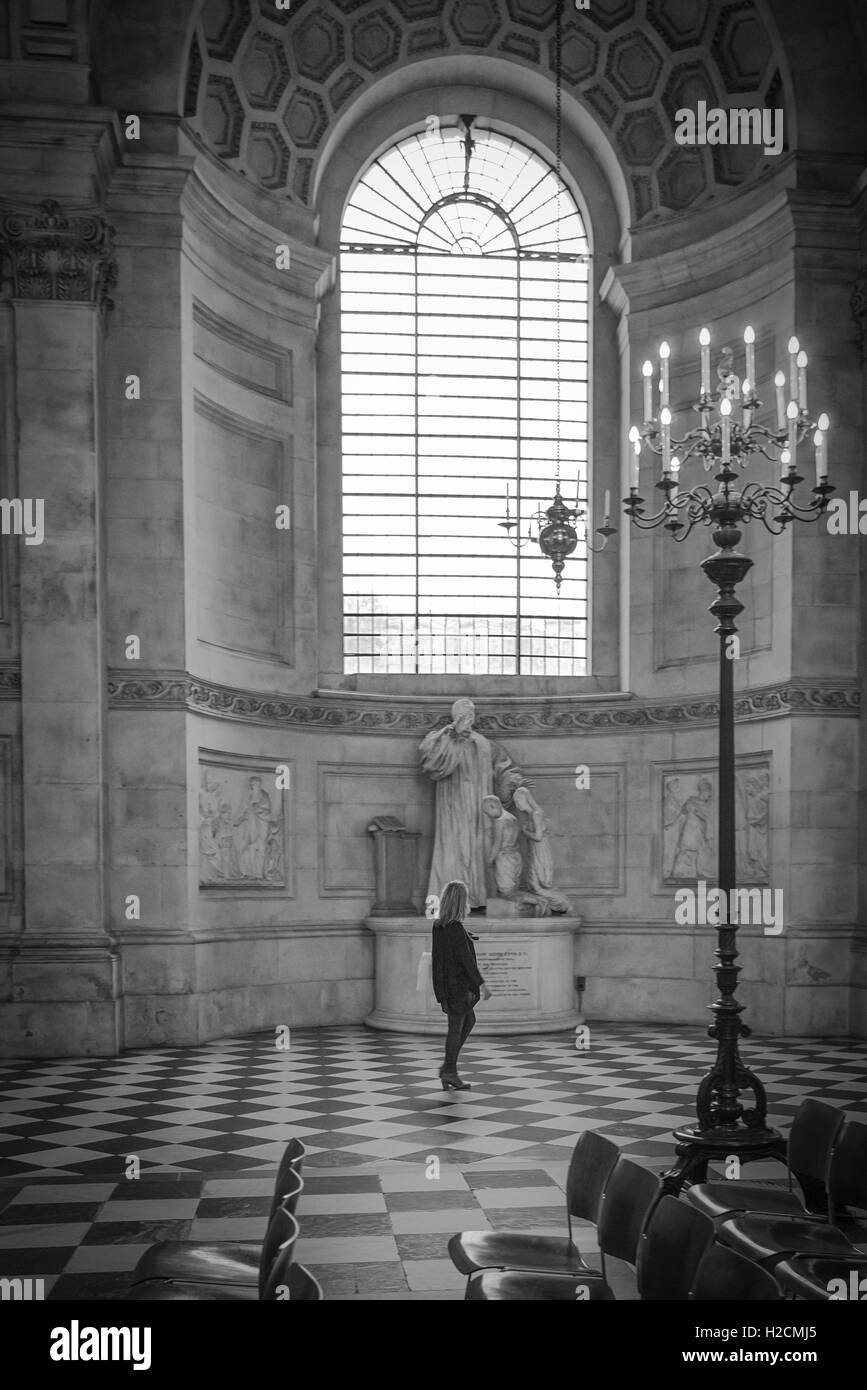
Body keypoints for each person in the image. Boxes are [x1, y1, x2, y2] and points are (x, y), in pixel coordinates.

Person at [419, 697, 525, 910]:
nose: (469, 717)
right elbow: (431, 763)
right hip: (453, 807)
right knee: (454, 849)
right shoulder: (441, 738)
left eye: (472, 713)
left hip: (481, 808)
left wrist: (511, 780)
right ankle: (452, 900)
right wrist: (453, 736)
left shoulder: (484, 743)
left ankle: (479, 897)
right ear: (454, 715)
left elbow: (504, 767)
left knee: (481, 848)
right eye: (464, 714)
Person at [430, 879, 491, 1090]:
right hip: (458, 988)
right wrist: (482, 985)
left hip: (447, 986)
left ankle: (448, 1066)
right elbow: (466, 961)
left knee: (467, 1021)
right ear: (460, 902)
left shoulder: (440, 926)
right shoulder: (455, 929)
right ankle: (450, 1072)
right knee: (456, 1029)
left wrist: (467, 938)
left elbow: (444, 954)